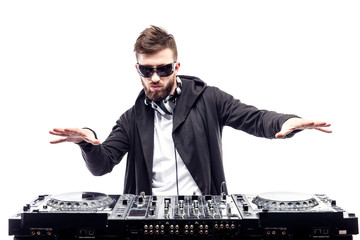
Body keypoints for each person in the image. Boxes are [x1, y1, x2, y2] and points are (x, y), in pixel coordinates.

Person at [49, 25, 331, 196]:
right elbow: (103, 164)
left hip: (204, 220)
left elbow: (254, 118)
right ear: (138, 70)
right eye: (147, 70)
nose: (155, 77)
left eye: (164, 68)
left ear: (177, 67)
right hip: (151, 221)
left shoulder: (209, 99)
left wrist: (286, 121)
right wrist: (87, 142)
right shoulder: (132, 118)